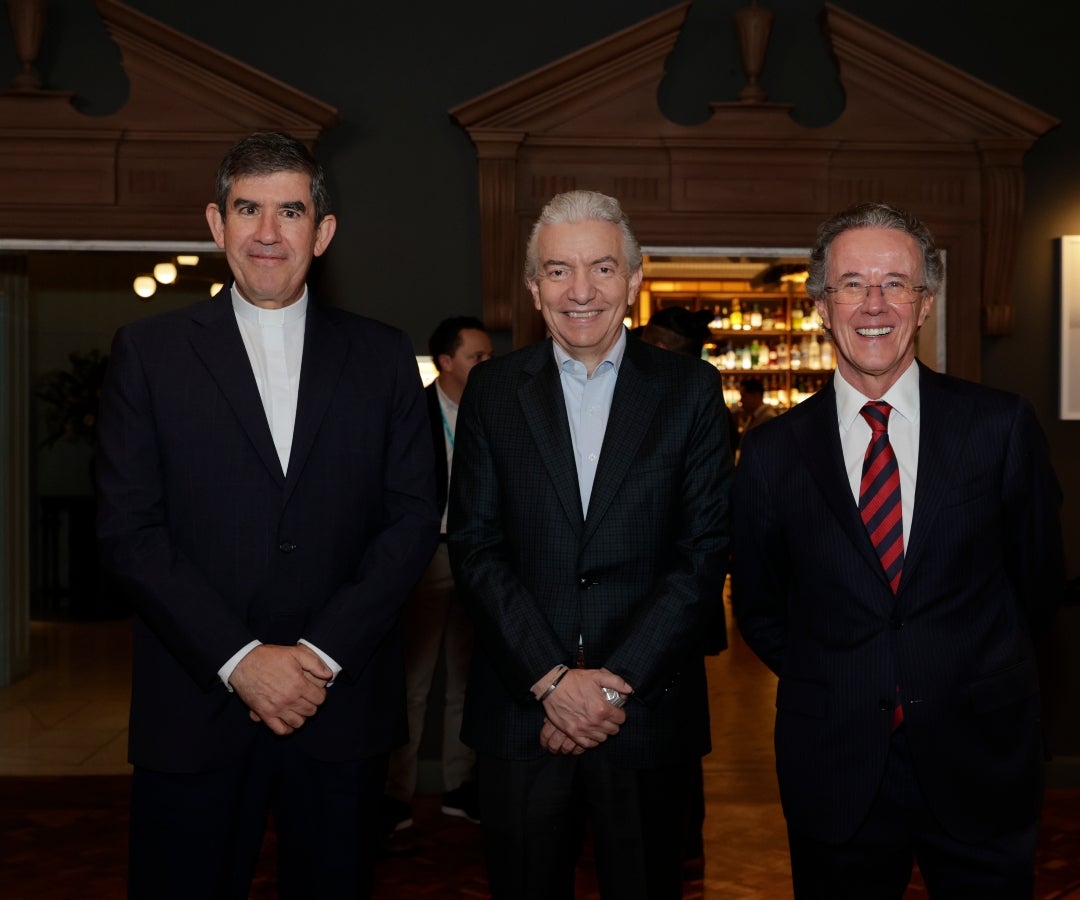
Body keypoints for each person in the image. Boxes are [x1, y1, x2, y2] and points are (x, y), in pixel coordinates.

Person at [95, 131, 439, 900]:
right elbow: (128, 530)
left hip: (339, 702)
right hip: (195, 703)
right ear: (217, 224)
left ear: (323, 231)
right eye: (248, 209)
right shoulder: (148, 354)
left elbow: (413, 520)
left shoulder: (382, 355)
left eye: (290, 210)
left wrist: (316, 656)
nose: (267, 232)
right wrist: (240, 659)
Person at [731, 201, 1064, 899]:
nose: (873, 304)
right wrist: (846, 676)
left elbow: (1036, 585)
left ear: (925, 302)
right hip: (836, 763)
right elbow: (760, 608)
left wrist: (960, 666)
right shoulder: (769, 455)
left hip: (981, 757)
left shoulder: (997, 427)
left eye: (895, 284)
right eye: (852, 283)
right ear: (822, 304)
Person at [448, 189, 733, 899]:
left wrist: (606, 687)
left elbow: (703, 556)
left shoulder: (691, 391)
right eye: (558, 271)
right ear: (532, 286)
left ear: (634, 281)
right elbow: (476, 549)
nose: (581, 291)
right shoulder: (490, 391)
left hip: (644, 713)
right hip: (522, 712)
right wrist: (551, 680)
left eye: (603, 269)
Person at [383, 316, 492, 834]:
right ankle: (396, 795)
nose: (487, 364)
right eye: (477, 357)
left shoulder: (493, 414)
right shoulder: (415, 412)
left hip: (476, 560)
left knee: (468, 684)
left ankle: (459, 787)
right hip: (425, 560)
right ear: (446, 362)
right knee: (414, 683)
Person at [638, 304, 730, 878]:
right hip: (632, 603)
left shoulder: (698, 401)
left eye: (657, 344)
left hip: (679, 601)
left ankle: (682, 843)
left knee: (673, 729)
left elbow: (706, 529)